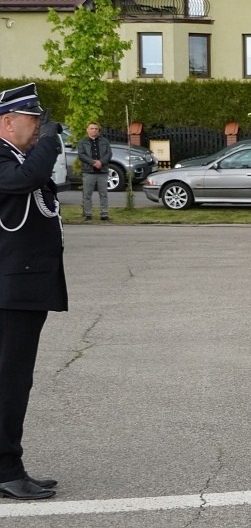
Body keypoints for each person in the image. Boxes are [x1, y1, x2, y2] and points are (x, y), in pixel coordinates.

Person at [0, 84, 66, 501]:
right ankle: (7, 470)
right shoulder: (6, 160)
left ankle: (10, 463)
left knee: (14, 380)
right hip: (11, 289)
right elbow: (29, 179)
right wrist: (51, 143)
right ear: (7, 123)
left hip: (24, 285)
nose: (38, 126)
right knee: (10, 381)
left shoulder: (19, 157)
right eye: (32, 120)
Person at [77, 121, 112, 221]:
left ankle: (104, 214)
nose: (94, 131)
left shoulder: (104, 141)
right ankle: (88, 214)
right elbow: (81, 155)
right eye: (92, 128)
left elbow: (109, 154)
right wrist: (93, 162)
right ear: (87, 130)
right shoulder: (82, 142)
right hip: (88, 171)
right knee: (87, 194)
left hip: (102, 171)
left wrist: (101, 162)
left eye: (96, 129)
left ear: (99, 130)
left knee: (103, 194)